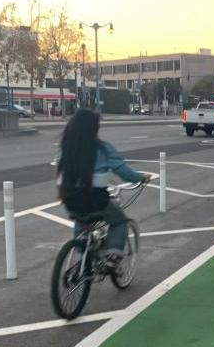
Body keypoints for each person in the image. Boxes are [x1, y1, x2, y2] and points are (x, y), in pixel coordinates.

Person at [55, 109, 149, 268]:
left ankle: (81, 250)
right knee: (120, 221)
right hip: (96, 201)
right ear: (94, 128)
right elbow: (124, 172)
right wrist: (141, 178)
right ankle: (113, 255)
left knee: (81, 218)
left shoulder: (65, 148)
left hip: (70, 200)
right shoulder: (103, 149)